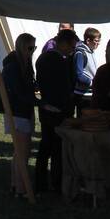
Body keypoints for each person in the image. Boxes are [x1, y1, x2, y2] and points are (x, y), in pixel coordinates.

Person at [35, 29, 78, 195]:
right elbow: (63, 87)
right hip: (56, 110)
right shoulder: (57, 60)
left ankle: (42, 183)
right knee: (55, 149)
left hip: (48, 108)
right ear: (64, 43)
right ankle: (55, 182)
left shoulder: (44, 58)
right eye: (71, 46)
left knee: (46, 147)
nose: (72, 50)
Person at [1, 32, 39, 202]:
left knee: (20, 152)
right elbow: (18, 92)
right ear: (22, 47)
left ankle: (15, 185)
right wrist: (40, 103)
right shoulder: (13, 66)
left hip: (24, 111)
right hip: (17, 113)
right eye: (30, 48)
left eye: (34, 48)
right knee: (22, 152)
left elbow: (28, 86)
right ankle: (22, 189)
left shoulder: (25, 62)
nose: (32, 51)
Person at [73, 27, 101, 113]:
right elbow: (79, 74)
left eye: (99, 41)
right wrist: (92, 82)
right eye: (96, 41)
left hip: (90, 93)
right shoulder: (80, 53)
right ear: (88, 41)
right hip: (82, 94)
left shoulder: (91, 51)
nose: (98, 44)